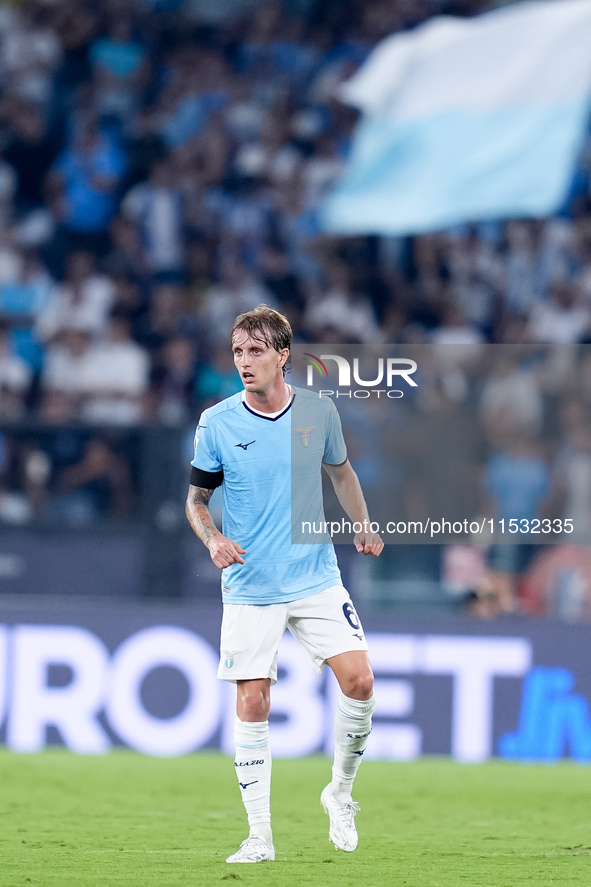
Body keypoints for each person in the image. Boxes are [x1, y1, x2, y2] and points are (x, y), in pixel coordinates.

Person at [186, 304, 383, 864]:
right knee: (253, 700)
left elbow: (340, 472)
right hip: (250, 582)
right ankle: (259, 837)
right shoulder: (217, 422)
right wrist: (212, 540)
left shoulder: (318, 413)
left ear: (282, 356)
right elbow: (196, 500)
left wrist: (362, 525)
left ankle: (340, 793)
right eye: (237, 352)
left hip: (315, 575)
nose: (244, 362)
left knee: (361, 681)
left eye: (254, 351)